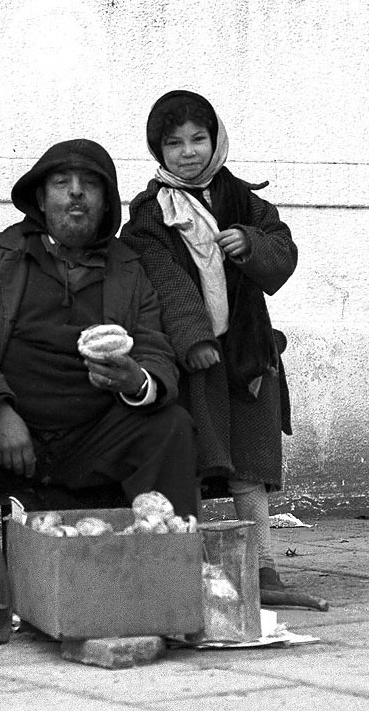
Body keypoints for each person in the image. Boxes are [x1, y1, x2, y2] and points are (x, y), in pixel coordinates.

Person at [0, 138, 199, 640]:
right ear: (41, 198)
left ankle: (163, 577)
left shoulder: (129, 269)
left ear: (107, 202)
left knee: (169, 424)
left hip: (91, 436)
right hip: (4, 434)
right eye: (62, 184)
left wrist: (138, 381)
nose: (75, 195)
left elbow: (154, 347)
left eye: (89, 186)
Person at [121, 90, 298, 601]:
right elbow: (163, 277)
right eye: (173, 143)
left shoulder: (244, 198)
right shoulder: (151, 211)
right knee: (195, 457)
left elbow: (282, 250)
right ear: (158, 150)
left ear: (216, 140)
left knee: (252, 464)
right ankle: (187, 569)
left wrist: (250, 241)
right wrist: (194, 337)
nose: (188, 151)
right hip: (196, 358)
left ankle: (264, 570)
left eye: (199, 138)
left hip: (247, 353)